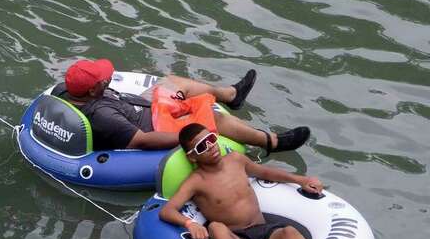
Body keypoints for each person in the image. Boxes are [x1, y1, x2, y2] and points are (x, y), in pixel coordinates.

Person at [160, 123, 339, 239]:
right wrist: (191, 224)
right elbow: (167, 210)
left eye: (211, 139)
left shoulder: (236, 160)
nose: (211, 147)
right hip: (236, 238)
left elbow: (266, 172)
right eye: (202, 147)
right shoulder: (196, 181)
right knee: (215, 227)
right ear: (192, 156)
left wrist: (301, 180)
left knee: (289, 232)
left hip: (265, 232)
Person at [57, 58, 310, 154]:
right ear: (92, 90)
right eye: (104, 79)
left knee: (174, 82)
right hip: (156, 125)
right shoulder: (102, 115)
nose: (108, 77)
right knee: (213, 119)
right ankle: (271, 142)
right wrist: (190, 134)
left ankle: (232, 95)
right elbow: (141, 141)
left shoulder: (72, 91)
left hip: (141, 107)